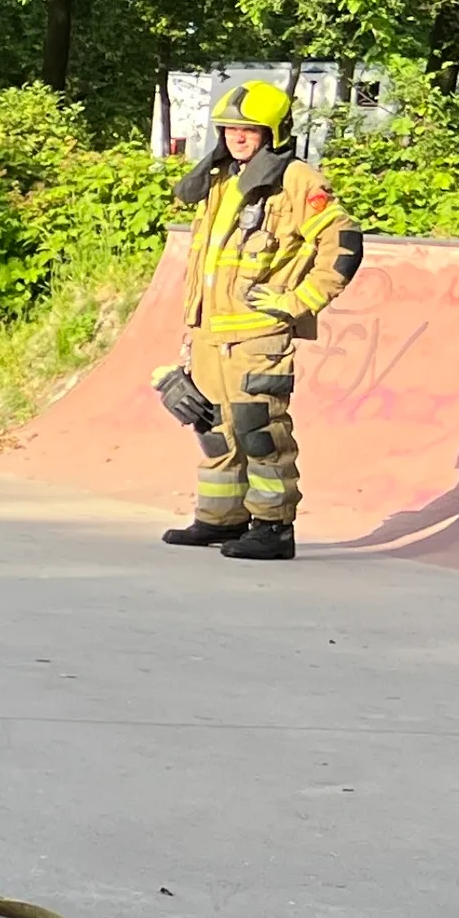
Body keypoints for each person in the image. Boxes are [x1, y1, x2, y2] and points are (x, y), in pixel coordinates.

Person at [158, 78, 365, 561]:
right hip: (210, 333)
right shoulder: (220, 179)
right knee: (214, 429)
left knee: (259, 430)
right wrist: (193, 329)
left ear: (273, 132)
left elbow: (344, 241)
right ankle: (221, 518)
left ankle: (273, 527)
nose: (237, 137)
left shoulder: (297, 180)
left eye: (248, 129)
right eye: (229, 129)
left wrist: (301, 300)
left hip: (257, 334)